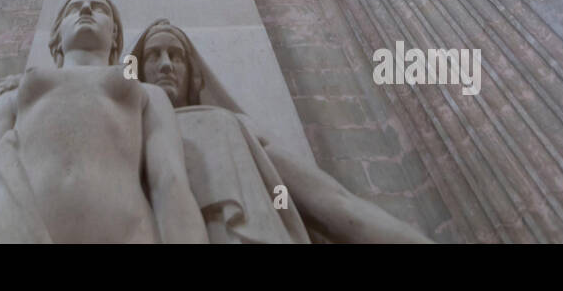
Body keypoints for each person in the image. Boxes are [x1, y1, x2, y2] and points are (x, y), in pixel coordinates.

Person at [0, 0, 206, 243]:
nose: (86, 7)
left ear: (114, 38)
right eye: (74, 7)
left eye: (100, 8)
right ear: (57, 37)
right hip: (13, 229)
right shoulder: (14, 94)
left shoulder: (145, 93)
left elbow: (169, 182)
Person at [127, 19, 433, 243]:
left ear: (193, 73)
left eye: (175, 56)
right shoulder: (124, 135)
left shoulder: (230, 125)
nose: (165, 65)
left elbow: (333, 202)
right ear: (138, 71)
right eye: (153, 56)